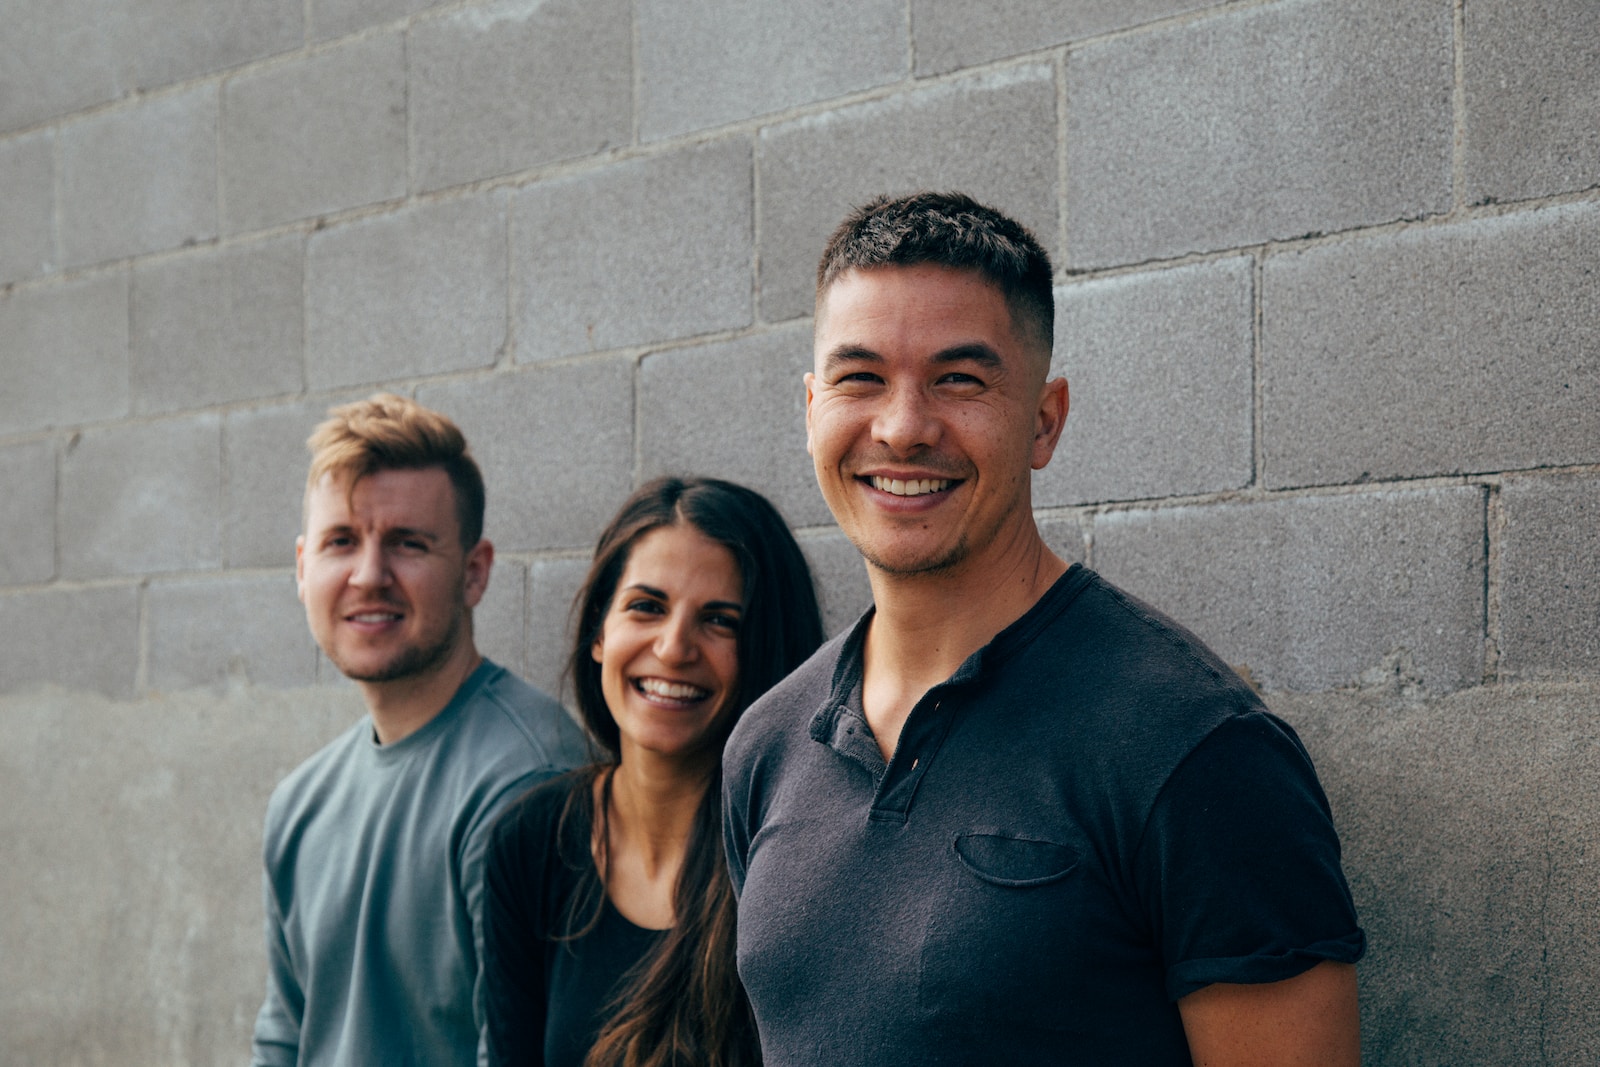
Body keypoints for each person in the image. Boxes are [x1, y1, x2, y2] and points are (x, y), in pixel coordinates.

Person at [723, 192, 1365, 1065]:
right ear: (809, 410)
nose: (903, 426)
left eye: (960, 378)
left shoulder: (1197, 750)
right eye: (859, 377)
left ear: (1044, 419)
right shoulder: (765, 747)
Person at [252, 393, 587, 1067]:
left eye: (408, 543)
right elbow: (285, 1034)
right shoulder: (300, 801)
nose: (369, 575)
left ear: (474, 571)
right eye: (340, 540)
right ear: (301, 567)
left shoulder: (528, 780)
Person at [481, 477, 823, 1067]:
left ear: (765, 651)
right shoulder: (530, 840)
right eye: (647, 606)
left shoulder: (800, 858)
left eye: (720, 621)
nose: (672, 649)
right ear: (599, 632)